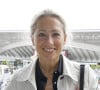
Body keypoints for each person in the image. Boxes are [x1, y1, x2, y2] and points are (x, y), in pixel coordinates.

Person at [4, 9, 99, 90]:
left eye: (56, 34)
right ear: (33, 39)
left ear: (64, 39)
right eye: (42, 34)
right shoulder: (16, 81)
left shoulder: (84, 76)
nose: (49, 42)